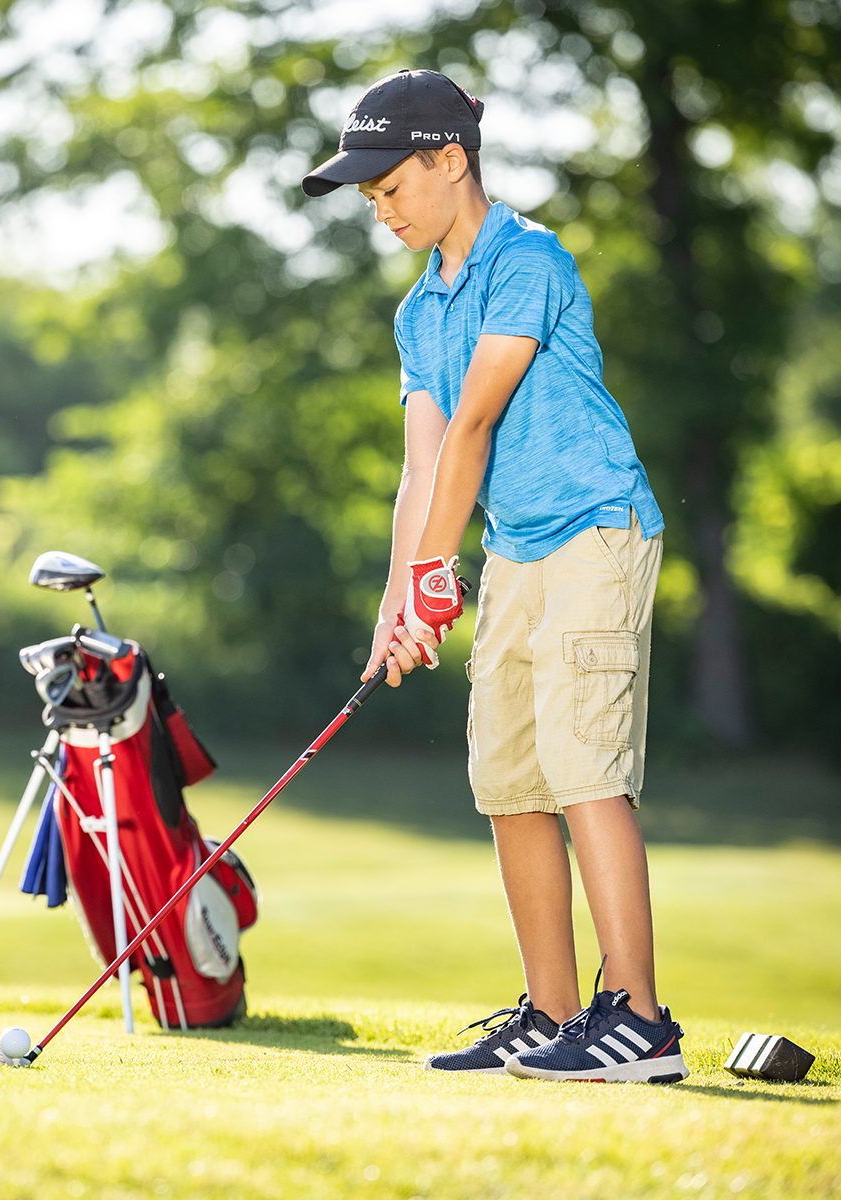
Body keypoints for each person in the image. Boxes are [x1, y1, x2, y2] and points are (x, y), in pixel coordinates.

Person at [302, 68, 687, 1084]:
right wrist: (400, 597)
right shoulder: (420, 313)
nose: (379, 209)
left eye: (390, 187)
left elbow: (474, 427)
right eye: (368, 197)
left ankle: (637, 1020)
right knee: (508, 777)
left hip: (596, 531)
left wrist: (437, 571)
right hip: (518, 547)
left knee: (582, 764)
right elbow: (421, 463)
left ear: (449, 159)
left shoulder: (529, 261)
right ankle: (554, 1014)